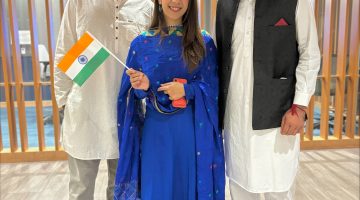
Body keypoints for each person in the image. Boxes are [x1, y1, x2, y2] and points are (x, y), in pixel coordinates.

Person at [113, 0, 225, 199]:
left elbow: (214, 91)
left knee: (186, 187)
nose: (176, 2)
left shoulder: (203, 42)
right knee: (156, 189)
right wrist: (142, 87)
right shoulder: (141, 43)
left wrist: (187, 90)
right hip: (156, 134)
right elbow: (130, 95)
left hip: (191, 135)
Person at [216, 0, 321, 199]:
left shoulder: (297, 2)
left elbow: (310, 54)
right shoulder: (225, 4)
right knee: (240, 185)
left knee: (279, 186)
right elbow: (221, 56)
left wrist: (300, 106)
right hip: (236, 117)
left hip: (279, 115)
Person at [54, 1, 153, 199]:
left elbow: (152, 56)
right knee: (80, 190)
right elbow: (64, 51)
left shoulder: (146, 5)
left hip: (128, 114)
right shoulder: (78, 2)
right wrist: (63, 101)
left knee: (122, 190)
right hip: (84, 112)